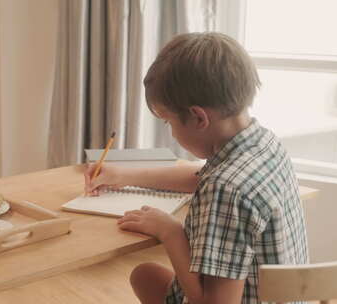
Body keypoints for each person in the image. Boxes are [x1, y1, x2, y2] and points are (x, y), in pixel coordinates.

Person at [84, 32, 308, 304]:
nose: (171, 132)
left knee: (146, 276)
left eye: (168, 122)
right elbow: (199, 177)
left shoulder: (226, 188)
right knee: (145, 275)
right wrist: (123, 175)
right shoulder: (263, 143)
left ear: (198, 117)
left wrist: (171, 232)